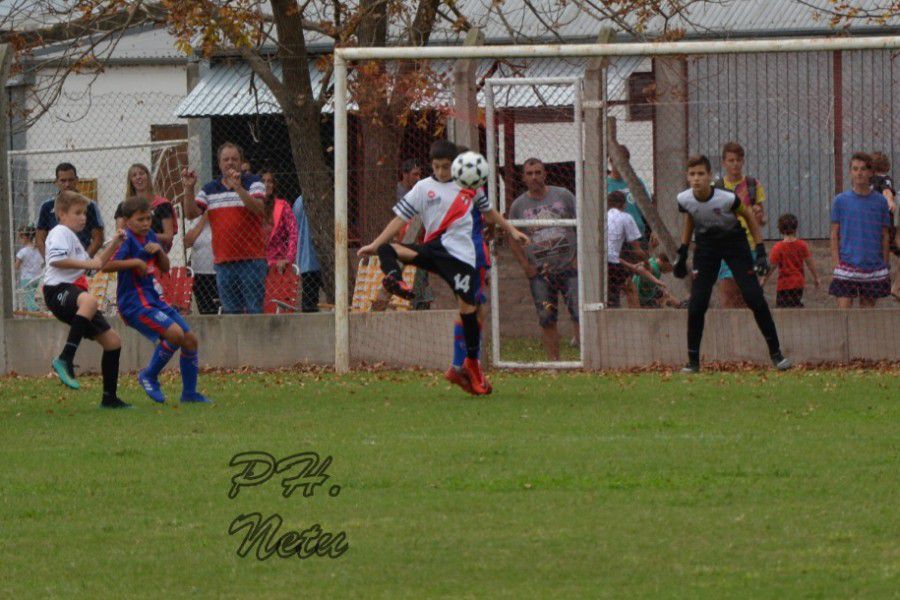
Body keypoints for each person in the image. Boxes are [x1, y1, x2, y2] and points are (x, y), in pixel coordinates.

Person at [358, 140, 529, 395]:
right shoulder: (422, 187)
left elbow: (489, 212)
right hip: (436, 251)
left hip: (461, 258)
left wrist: (512, 230)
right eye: (436, 167)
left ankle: (468, 364)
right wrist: (374, 243)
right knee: (386, 248)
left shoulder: (469, 186)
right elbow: (399, 219)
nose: (440, 172)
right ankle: (395, 280)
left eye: (445, 167)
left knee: (471, 308)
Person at [671, 155, 790, 373]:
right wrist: (682, 250)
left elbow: (748, 217)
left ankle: (777, 354)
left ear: (709, 176)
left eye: (700, 174)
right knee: (697, 303)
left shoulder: (726, 198)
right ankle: (693, 362)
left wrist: (761, 251)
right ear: (687, 177)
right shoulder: (684, 198)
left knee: (754, 297)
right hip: (706, 248)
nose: (696, 179)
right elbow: (690, 217)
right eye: (692, 174)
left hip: (734, 244)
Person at [103, 196, 210, 404]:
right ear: (126, 221)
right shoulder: (126, 240)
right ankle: (148, 375)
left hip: (153, 299)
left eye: (148, 219)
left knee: (190, 340)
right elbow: (105, 265)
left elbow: (165, 268)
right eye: (140, 219)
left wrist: (160, 251)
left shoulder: (150, 235)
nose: (145, 224)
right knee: (175, 335)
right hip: (135, 304)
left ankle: (189, 394)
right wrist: (134, 262)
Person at [42, 191, 129, 408]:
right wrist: (87, 265)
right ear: (61, 214)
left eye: (85, 213)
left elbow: (96, 264)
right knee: (89, 301)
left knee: (113, 342)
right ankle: (65, 358)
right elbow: (56, 261)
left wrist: (115, 243)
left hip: (71, 293)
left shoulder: (74, 240)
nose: (83, 217)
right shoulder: (60, 231)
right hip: (57, 291)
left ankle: (109, 398)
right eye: (77, 213)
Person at [181, 142, 268, 314]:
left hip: (251, 261)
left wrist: (238, 188)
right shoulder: (210, 189)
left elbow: (258, 209)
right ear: (219, 164)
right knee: (230, 314)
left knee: (254, 312)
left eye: (234, 159)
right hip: (223, 263)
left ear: (241, 162)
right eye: (225, 159)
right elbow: (191, 213)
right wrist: (189, 189)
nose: (230, 163)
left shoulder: (253, 183)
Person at [508, 158, 578, 360]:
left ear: (545, 174)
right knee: (547, 317)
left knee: (579, 312)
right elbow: (512, 237)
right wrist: (525, 265)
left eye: (538, 172)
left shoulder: (563, 195)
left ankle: (585, 360)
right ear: (523, 177)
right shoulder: (518, 205)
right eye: (529, 173)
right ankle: (554, 363)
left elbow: (583, 222)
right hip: (540, 273)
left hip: (569, 267)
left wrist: (579, 258)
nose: (534, 177)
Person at [828, 152, 892, 308]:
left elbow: (885, 234)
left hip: (872, 266)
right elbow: (834, 234)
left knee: (866, 317)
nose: (859, 173)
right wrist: (836, 263)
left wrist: (884, 262)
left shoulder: (880, 202)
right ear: (850, 172)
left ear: (871, 172)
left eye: (863, 169)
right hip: (846, 265)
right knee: (844, 314)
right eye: (855, 169)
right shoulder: (840, 201)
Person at [715, 142, 768, 308]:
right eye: (731, 160)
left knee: (747, 297)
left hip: (750, 247)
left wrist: (759, 216)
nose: (735, 164)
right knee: (728, 293)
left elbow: (762, 220)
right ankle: (728, 333)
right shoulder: (717, 188)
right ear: (724, 162)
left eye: (738, 160)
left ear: (743, 161)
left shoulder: (753, 185)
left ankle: (747, 333)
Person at [35, 163, 104, 257]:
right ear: (56, 182)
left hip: (82, 259)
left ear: (77, 180)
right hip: (57, 260)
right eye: (63, 181)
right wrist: (48, 259)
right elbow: (39, 239)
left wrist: (84, 260)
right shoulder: (47, 206)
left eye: (70, 180)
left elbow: (98, 239)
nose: (67, 184)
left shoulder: (89, 205)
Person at [113, 163, 178, 252]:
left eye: (141, 173)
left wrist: (146, 235)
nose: (138, 177)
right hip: (132, 251)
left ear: (148, 177)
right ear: (131, 181)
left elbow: (168, 237)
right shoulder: (123, 207)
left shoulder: (163, 205)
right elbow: (120, 234)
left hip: (157, 251)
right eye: (134, 175)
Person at [761, 213, 820, 308]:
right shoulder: (802, 245)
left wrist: (763, 280)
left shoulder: (778, 247)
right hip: (798, 283)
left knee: (782, 309)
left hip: (784, 284)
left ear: (780, 229)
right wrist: (816, 277)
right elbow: (809, 262)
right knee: (795, 305)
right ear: (795, 227)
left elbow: (771, 267)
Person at [606, 190, 645, 308]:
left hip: (599, 259)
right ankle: (636, 317)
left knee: (609, 292)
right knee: (630, 288)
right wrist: (647, 261)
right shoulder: (626, 217)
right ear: (624, 205)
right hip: (612, 261)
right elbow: (637, 250)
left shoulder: (603, 215)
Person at [870, 151, 899, 301]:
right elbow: (887, 192)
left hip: (871, 228)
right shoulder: (885, 180)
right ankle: (896, 287)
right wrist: (890, 202)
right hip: (885, 228)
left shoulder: (868, 182)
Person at [606, 144, 649, 239]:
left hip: (638, 234)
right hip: (615, 236)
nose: (621, 165)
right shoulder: (604, 185)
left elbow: (648, 208)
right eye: (618, 161)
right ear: (611, 161)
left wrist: (654, 231)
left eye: (624, 162)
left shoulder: (635, 182)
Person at [260, 169, 299, 273]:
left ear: (274, 185)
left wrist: (288, 258)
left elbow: (293, 233)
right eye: (263, 181)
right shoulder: (251, 206)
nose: (266, 184)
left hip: (279, 266)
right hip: (256, 264)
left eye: (270, 181)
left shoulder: (283, 206)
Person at [293, 194, 323, 312]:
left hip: (306, 257)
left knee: (309, 297)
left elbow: (295, 223)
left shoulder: (299, 201)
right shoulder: (323, 198)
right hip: (313, 255)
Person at [184, 213, 219, 314]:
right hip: (200, 273)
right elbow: (187, 242)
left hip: (221, 271)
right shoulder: (198, 218)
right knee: (206, 312)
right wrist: (204, 218)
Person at [15, 226, 43, 312]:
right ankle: (38, 310)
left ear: (25, 237)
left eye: (20, 238)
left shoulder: (22, 252)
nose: (20, 240)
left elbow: (16, 266)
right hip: (38, 277)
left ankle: (34, 313)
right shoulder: (39, 249)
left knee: (29, 300)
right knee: (36, 297)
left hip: (26, 279)